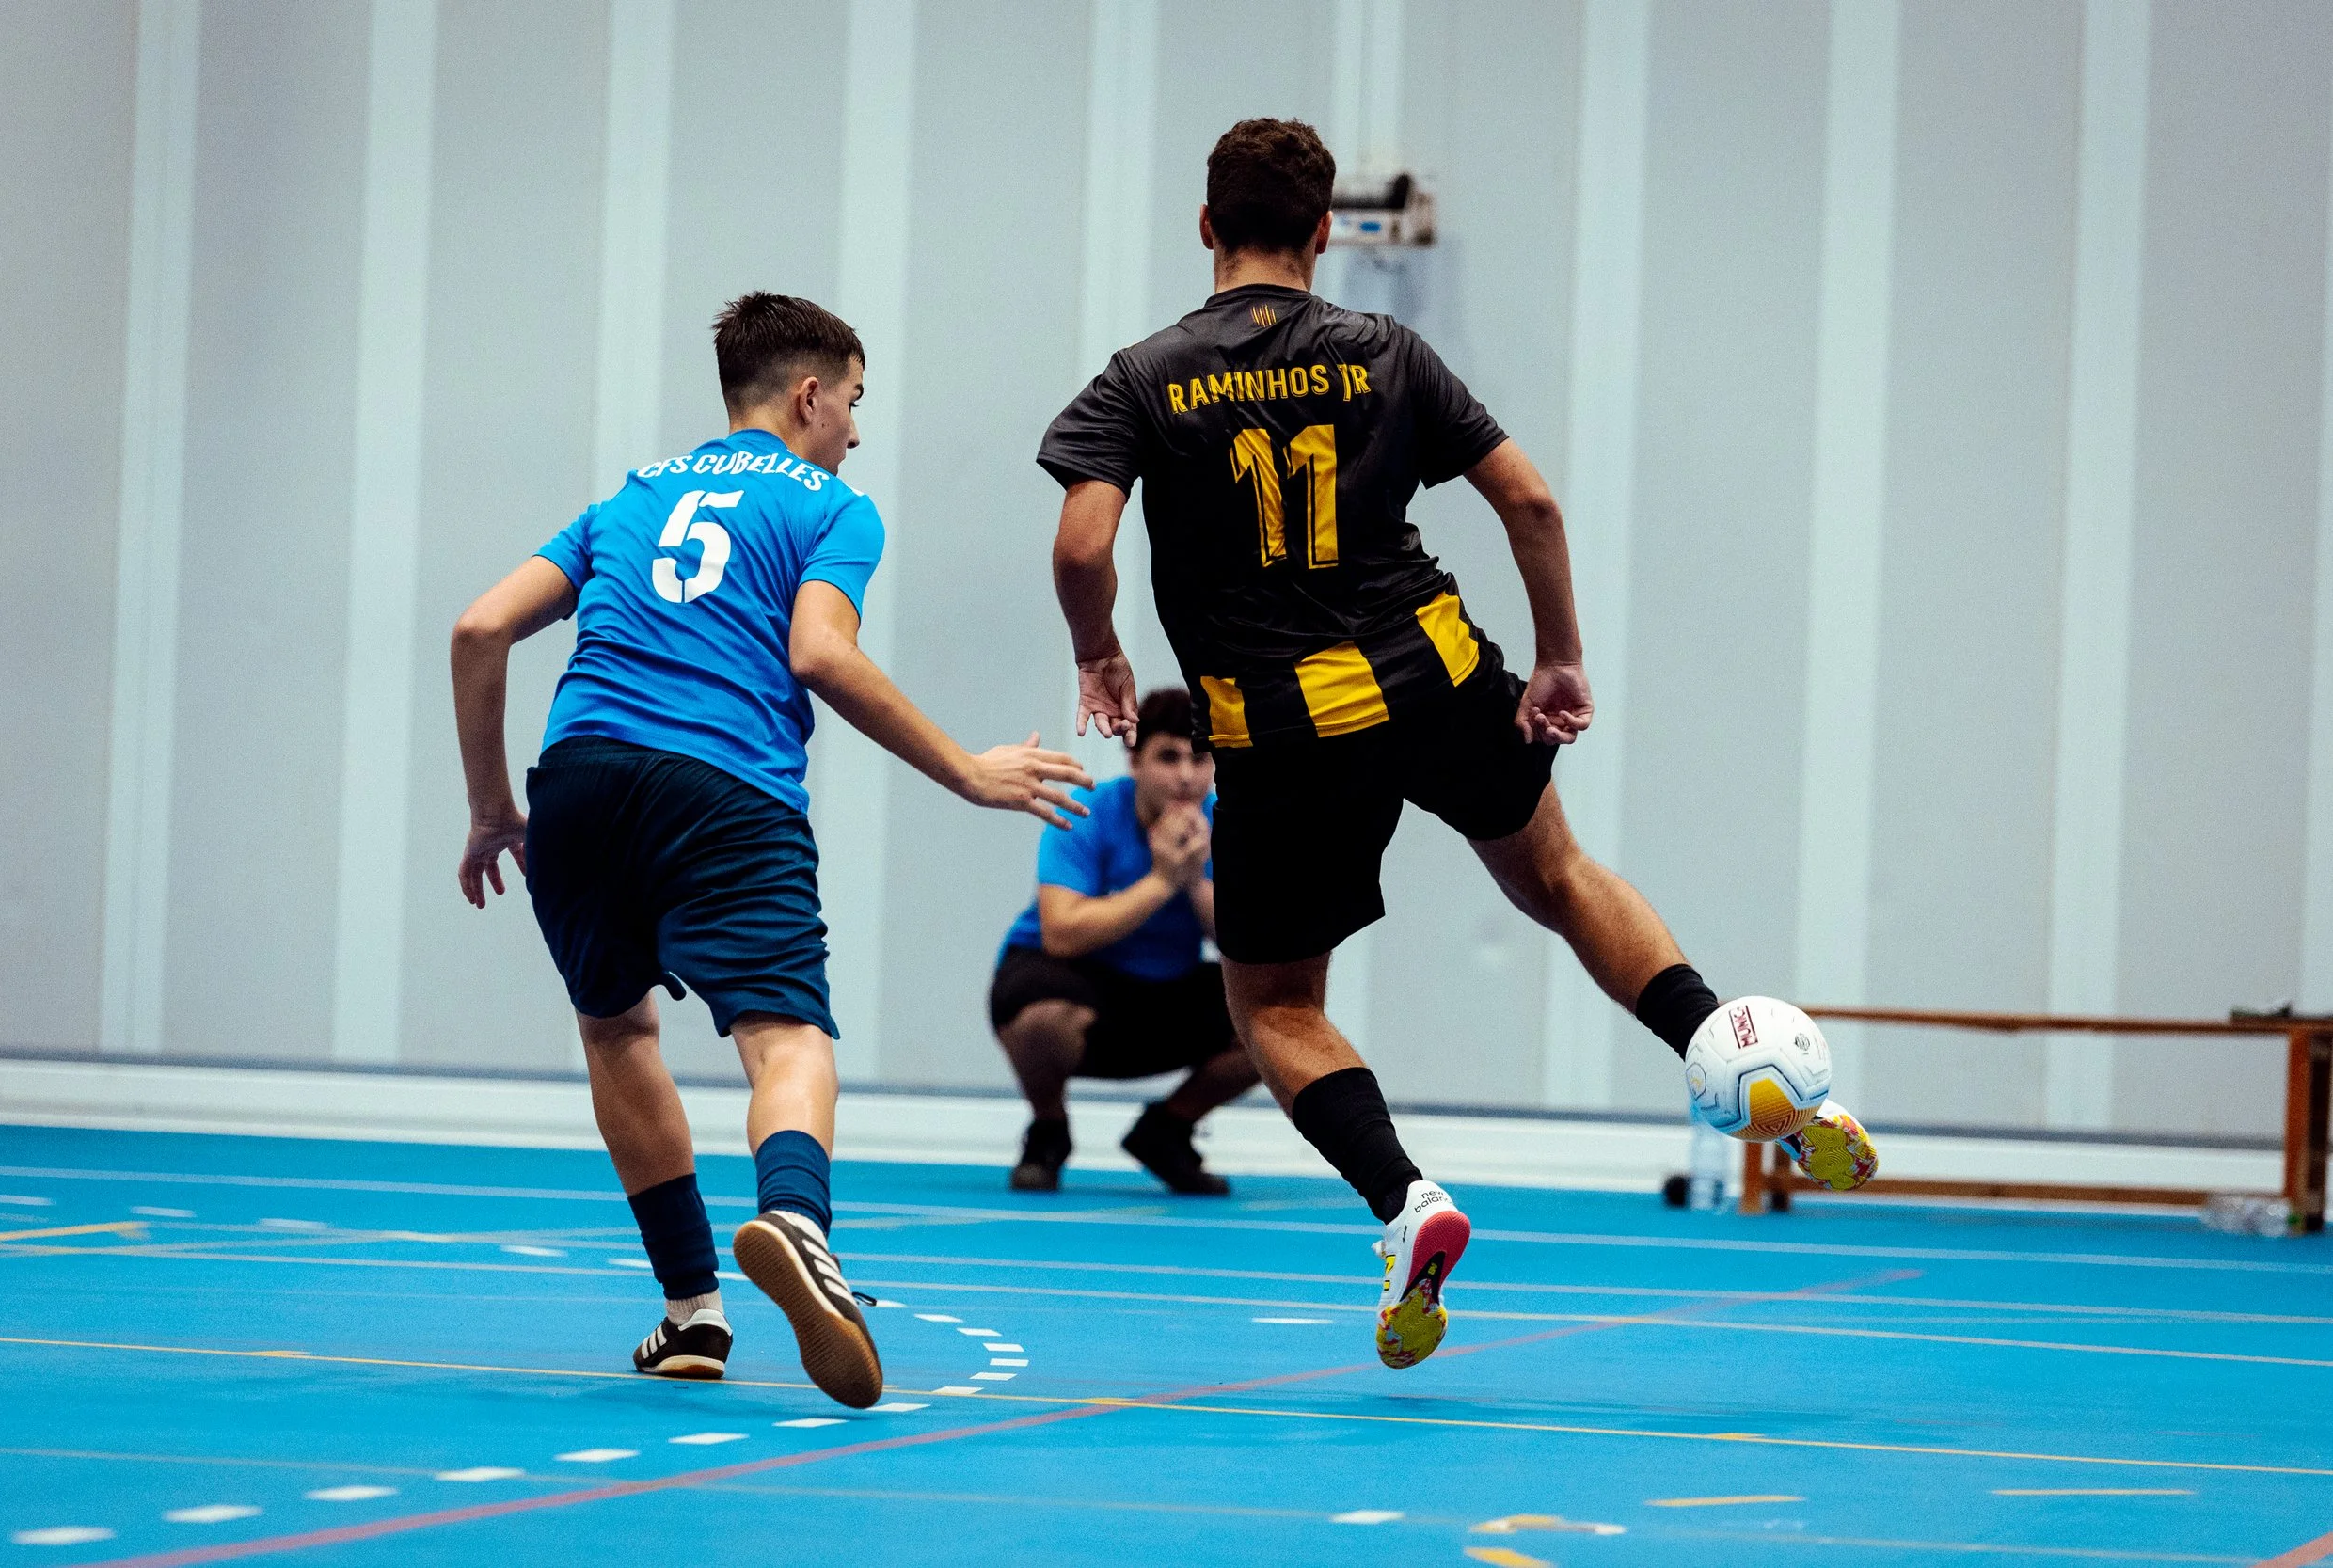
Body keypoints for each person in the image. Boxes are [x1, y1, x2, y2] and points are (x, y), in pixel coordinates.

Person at [1039, 119, 1879, 1371]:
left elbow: (1082, 545)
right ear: (1324, 233)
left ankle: (1407, 1201)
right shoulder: (1385, 349)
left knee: (1272, 999)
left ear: (1207, 226)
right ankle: (1724, 1045)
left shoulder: (1142, 376)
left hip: (1279, 720)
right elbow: (1529, 498)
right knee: (1557, 874)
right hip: (1432, 671)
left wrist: (1098, 652)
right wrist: (1559, 654)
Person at [449, 292, 1090, 1407]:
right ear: (807, 395)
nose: (854, 427)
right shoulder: (833, 507)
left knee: (615, 1028)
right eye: (851, 401)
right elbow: (819, 654)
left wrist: (494, 807)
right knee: (784, 1036)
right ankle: (797, 1221)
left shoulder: (629, 498)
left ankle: (690, 1311)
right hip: (722, 785)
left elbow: (478, 627)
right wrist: (967, 770)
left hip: (581, 781)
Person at [990, 687, 1262, 1195]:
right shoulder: (1088, 812)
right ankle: (1048, 1130)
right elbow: (1062, 933)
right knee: (1041, 1018)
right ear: (1134, 760)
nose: (1186, 775)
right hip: (1075, 978)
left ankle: (1167, 1130)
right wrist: (1161, 880)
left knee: (1279, 1018)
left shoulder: (1232, 823)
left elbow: (1249, 944)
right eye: (1167, 757)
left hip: (1165, 991)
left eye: (1200, 758)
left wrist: (1192, 879)